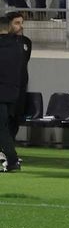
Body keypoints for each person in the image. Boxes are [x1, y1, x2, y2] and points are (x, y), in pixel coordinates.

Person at [0, 10, 30, 173]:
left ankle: (12, 160)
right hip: (12, 93)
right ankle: (10, 159)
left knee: (2, 128)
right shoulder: (19, 46)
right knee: (4, 127)